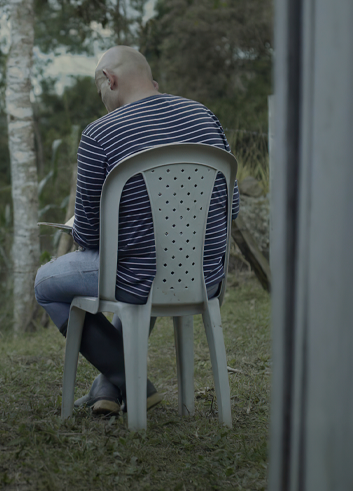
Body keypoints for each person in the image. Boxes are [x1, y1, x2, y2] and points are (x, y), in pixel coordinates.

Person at [34, 46, 239, 416]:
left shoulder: (100, 134)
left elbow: (89, 236)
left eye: (100, 90)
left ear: (109, 79)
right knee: (141, 262)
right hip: (204, 276)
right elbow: (231, 208)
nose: (102, 99)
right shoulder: (205, 117)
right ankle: (107, 387)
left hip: (138, 277)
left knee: (45, 283)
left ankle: (134, 384)